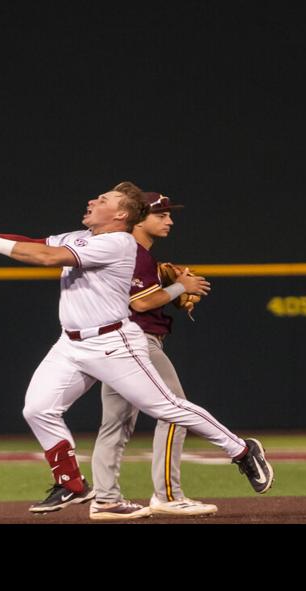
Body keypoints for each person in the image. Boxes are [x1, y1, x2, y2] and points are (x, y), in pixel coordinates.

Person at [0, 182, 273, 519]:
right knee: (37, 409)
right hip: (70, 344)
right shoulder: (80, 237)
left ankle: (243, 450)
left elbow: (45, 257)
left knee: (167, 406)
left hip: (113, 343)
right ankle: (72, 485)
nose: (91, 200)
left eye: (102, 199)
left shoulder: (119, 242)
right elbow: (35, 244)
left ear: (121, 214)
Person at [89, 191, 218, 517]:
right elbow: (141, 303)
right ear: (138, 217)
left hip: (112, 343)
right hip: (136, 342)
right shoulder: (133, 252)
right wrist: (179, 288)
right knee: (176, 411)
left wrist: (163, 280)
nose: (169, 220)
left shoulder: (128, 253)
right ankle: (168, 496)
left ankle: (104, 499)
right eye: (161, 215)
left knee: (114, 426)